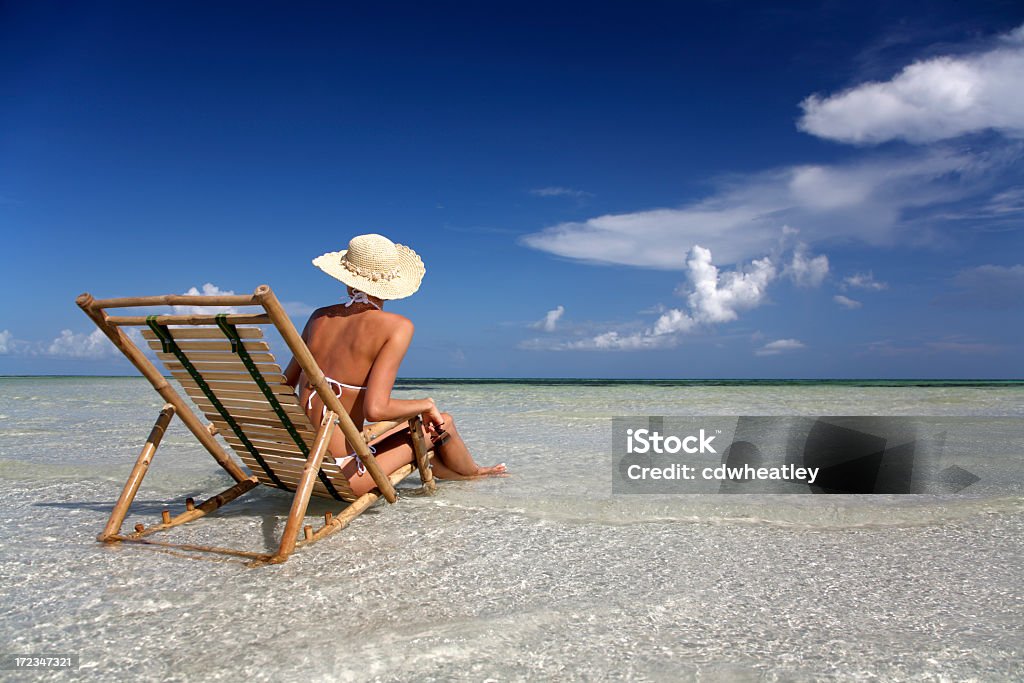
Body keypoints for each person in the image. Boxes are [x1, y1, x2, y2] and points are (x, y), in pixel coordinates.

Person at [283, 233, 506, 497]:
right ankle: (473, 474)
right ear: (390, 285)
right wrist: (426, 404)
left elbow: (284, 387)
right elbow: (376, 409)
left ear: (347, 281)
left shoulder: (318, 317)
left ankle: (450, 472)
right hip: (340, 472)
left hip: (295, 462)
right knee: (441, 422)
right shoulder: (396, 327)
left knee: (413, 425)